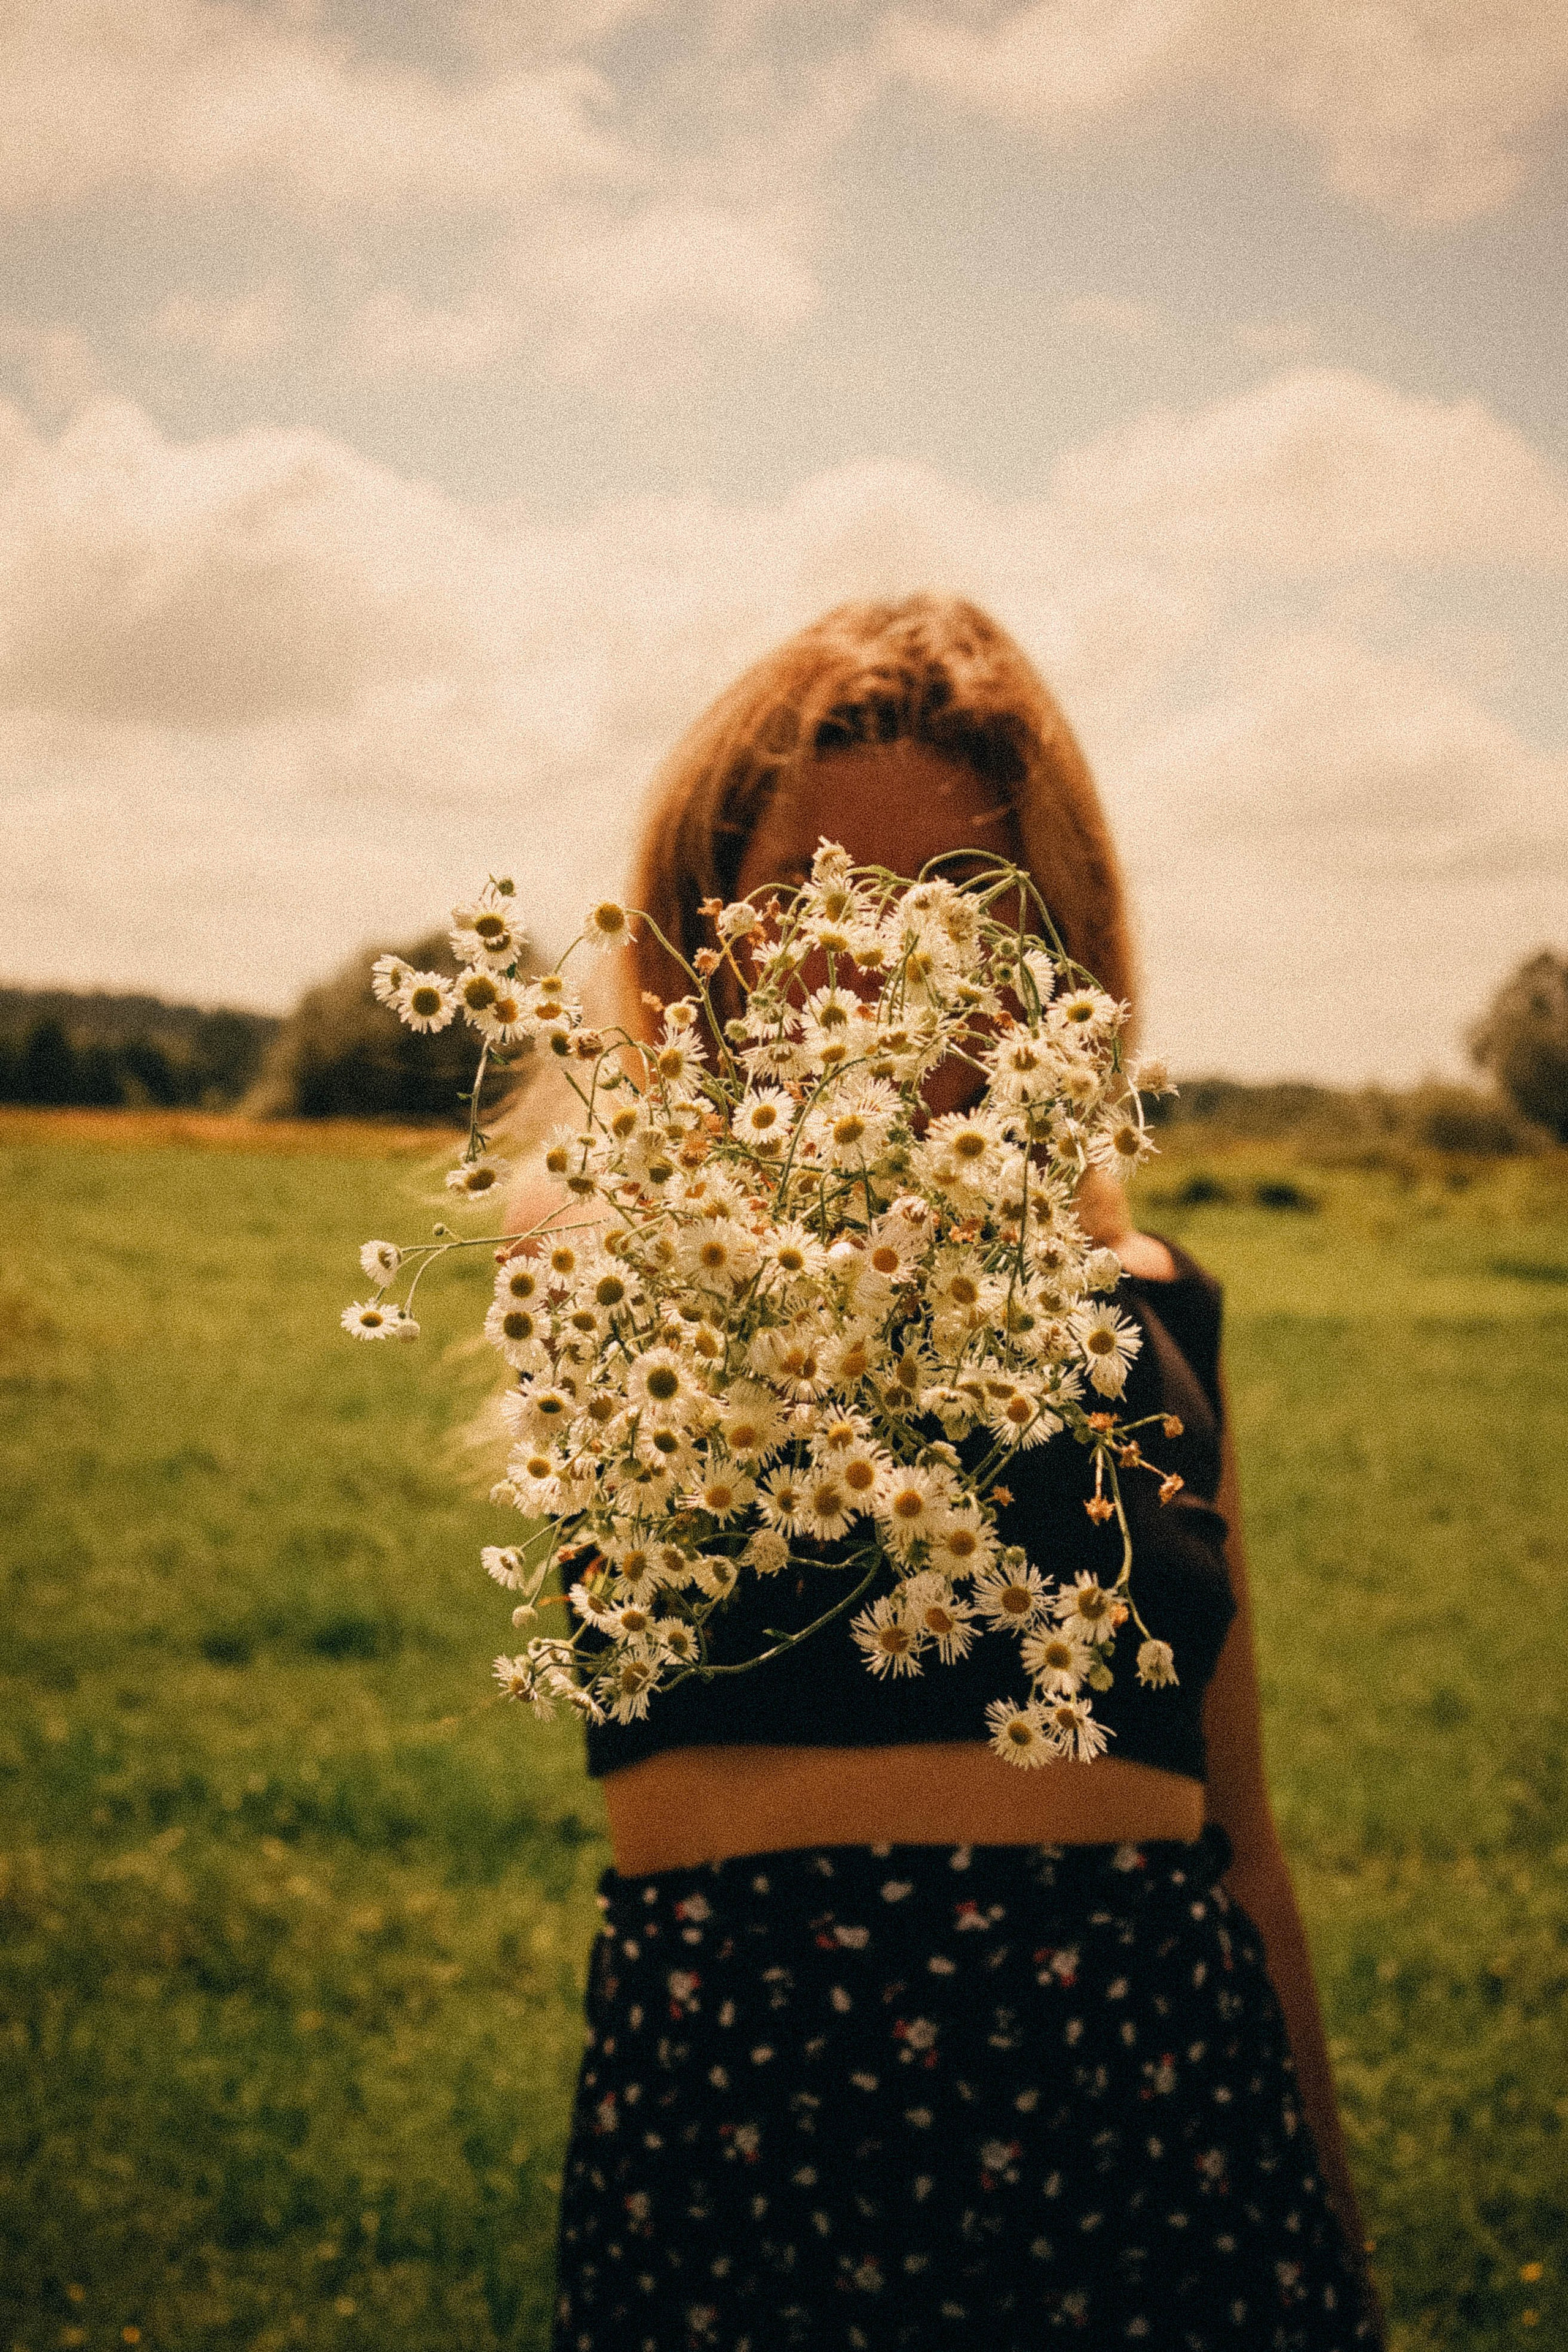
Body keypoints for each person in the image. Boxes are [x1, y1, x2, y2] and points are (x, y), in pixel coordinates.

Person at [524, 595, 1384, 2349]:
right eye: (812, 893)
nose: (876, 952)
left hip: (1155, 2151)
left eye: (950, 903)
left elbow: (1250, 1850)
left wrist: (1346, 2263)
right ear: (702, 935)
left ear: (1053, 960)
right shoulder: (632, 1293)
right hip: (740, 2159)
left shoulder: (1157, 1323)